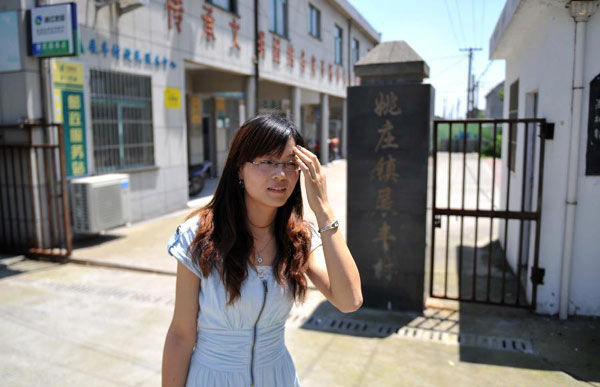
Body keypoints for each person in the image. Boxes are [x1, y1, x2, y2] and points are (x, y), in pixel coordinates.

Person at [162, 113, 362, 387]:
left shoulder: (298, 237)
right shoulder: (198, 236)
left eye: (290, 163)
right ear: (240, 168)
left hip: (277, 377)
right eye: (267, 161)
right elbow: (181, 334)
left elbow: (349, 300)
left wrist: (324, 212)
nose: (280, 174)